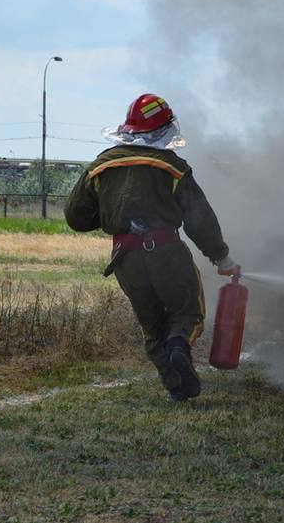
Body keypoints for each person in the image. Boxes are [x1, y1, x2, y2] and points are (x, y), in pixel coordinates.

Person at [65, 93, 240, 402]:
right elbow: (199, 221)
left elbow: (76, 217)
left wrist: (112, 218)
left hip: (125, 259)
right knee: (188, 312)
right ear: (164, 130)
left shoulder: (101, 166)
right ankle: (178, 348)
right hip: (167, 252)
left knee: (152, 325)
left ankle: (177, 388)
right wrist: (221, 257)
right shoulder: (173, 168)